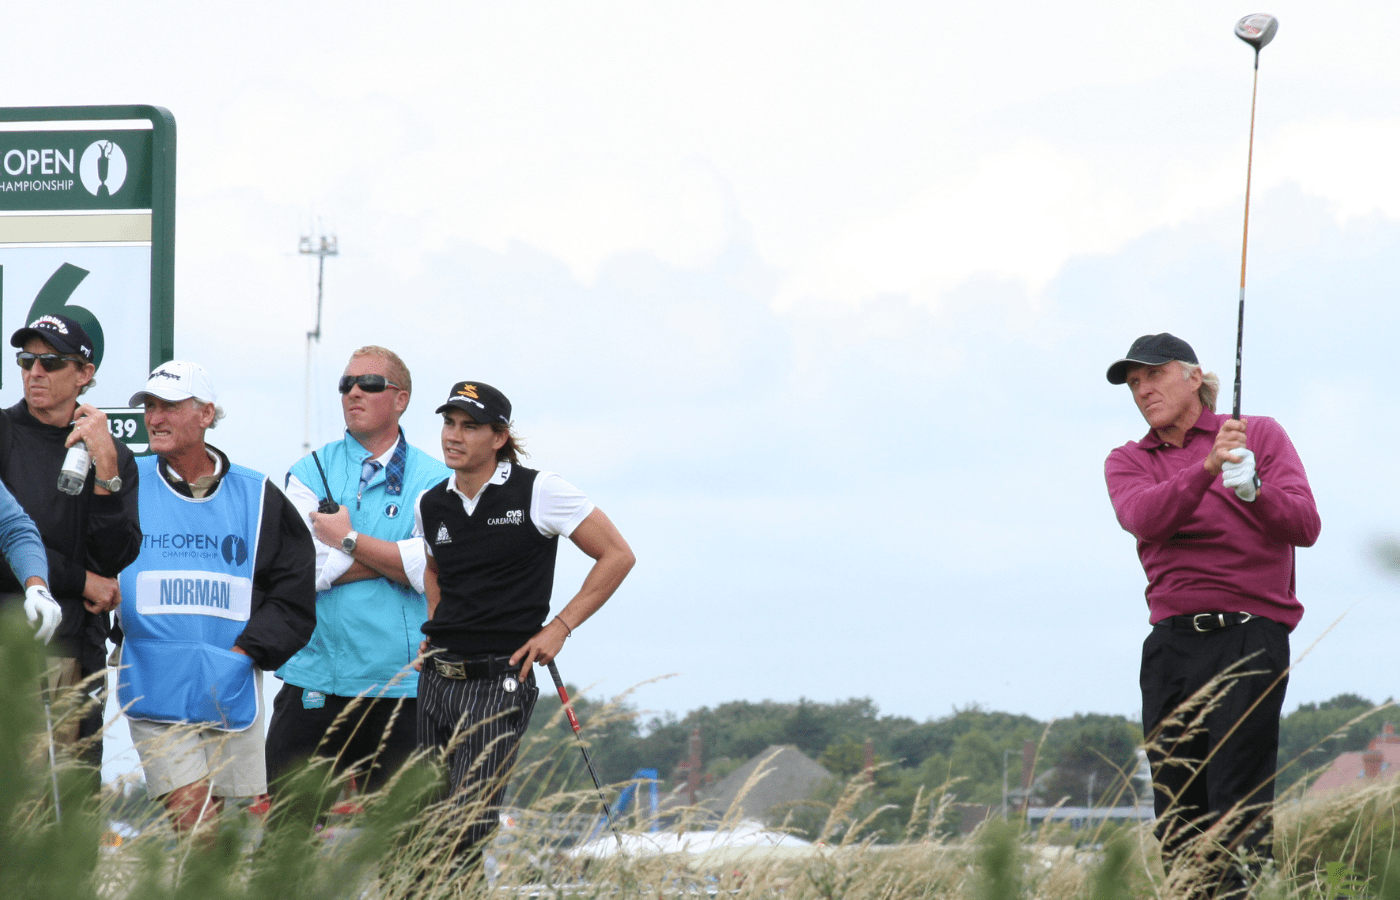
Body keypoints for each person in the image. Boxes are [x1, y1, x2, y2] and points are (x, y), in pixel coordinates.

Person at [1104, 333, 1320, 899]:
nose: (1142, 390)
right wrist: (1205, 468)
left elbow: (1305, 526)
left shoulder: (1260, 436)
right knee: (1177, 814)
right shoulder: (1129, 459)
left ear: (1192, 378)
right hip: (1171, 647)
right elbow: (1145, 517)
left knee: (1238, 809)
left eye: (1152, 376)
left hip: (1249, 638)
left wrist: (1256, 491)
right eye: (1133, 384)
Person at [413, 380, 635, 869]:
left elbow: (617, 555)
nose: (453, 435)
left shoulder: (540, 491)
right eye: (449, 423)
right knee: (424, 826)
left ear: (498, 437)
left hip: (499, 678)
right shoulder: (431, 503)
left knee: (468, 824)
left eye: (470, 426)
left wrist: (560, 627)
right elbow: (433, 569)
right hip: (436, 680)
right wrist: (436, 626)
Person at [114, 360, 315, 833]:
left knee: (233, 839)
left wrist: (248, 651)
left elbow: (294, 590)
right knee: (195, 822)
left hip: (231, 684)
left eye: (169, 406)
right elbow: (94, 560)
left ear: (205, 414)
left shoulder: (257, 494)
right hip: (154, 681)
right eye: (149, 407)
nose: (155, 418)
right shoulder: (126, 483)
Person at [266, 346, 449, 811]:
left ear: (400, 398)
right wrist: (399, 560)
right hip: (315, 679)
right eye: (346, 383)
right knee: (286, 839)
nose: (353, 392)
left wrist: (346, 540)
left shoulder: (436, 477)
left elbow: (434, 564)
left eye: (368, 383)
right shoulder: (311, 471)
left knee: (410, 845)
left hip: (403, 685)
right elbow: (303, 569)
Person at [0, 313, 141, 781]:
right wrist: (82, 580)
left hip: (78, 649)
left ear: (84, 374)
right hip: (10, 645)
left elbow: (115, 558)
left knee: (71, 808)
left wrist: (106, 473)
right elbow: (8, 545)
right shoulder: (3, 433)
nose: (34, 372)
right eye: (26, 359)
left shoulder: (112, 452)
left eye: (51, 362)